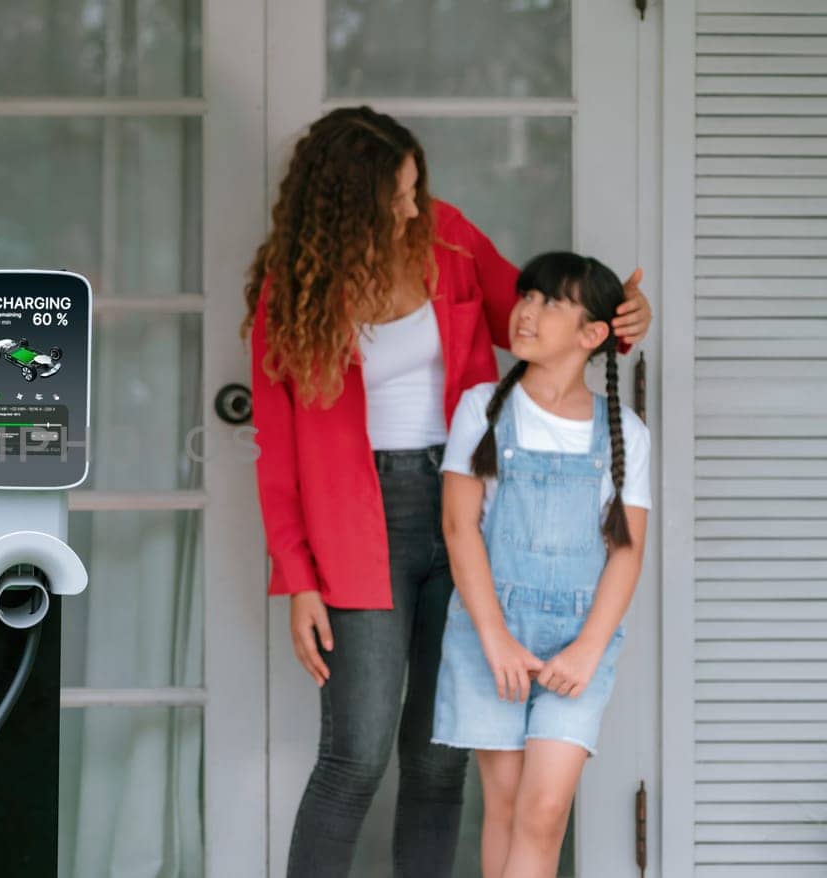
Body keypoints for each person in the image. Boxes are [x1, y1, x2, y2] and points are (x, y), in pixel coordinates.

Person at [242, 106, 652, 878]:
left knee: (438, 760)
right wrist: (298, 578)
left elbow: (536, 321)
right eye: (396, 195)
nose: (412, 206)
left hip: (474, 504)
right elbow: (277, 450)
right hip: (358, 524)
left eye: (415, 187)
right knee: (355, 757)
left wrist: (625, 322)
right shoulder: (290, 293)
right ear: (349, 205)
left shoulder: (448, 238)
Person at [432, 252, 651, 878]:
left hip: (577, 645)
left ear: (592, 335)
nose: (526, 309)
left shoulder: (625, 433)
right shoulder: (483, 408)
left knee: (545, 808)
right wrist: (496, 640)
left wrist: (587, 648)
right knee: (503, 807)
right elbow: (459, 527)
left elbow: (627, 552)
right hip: (490, 637)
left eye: (551, 302)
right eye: (526, 295)